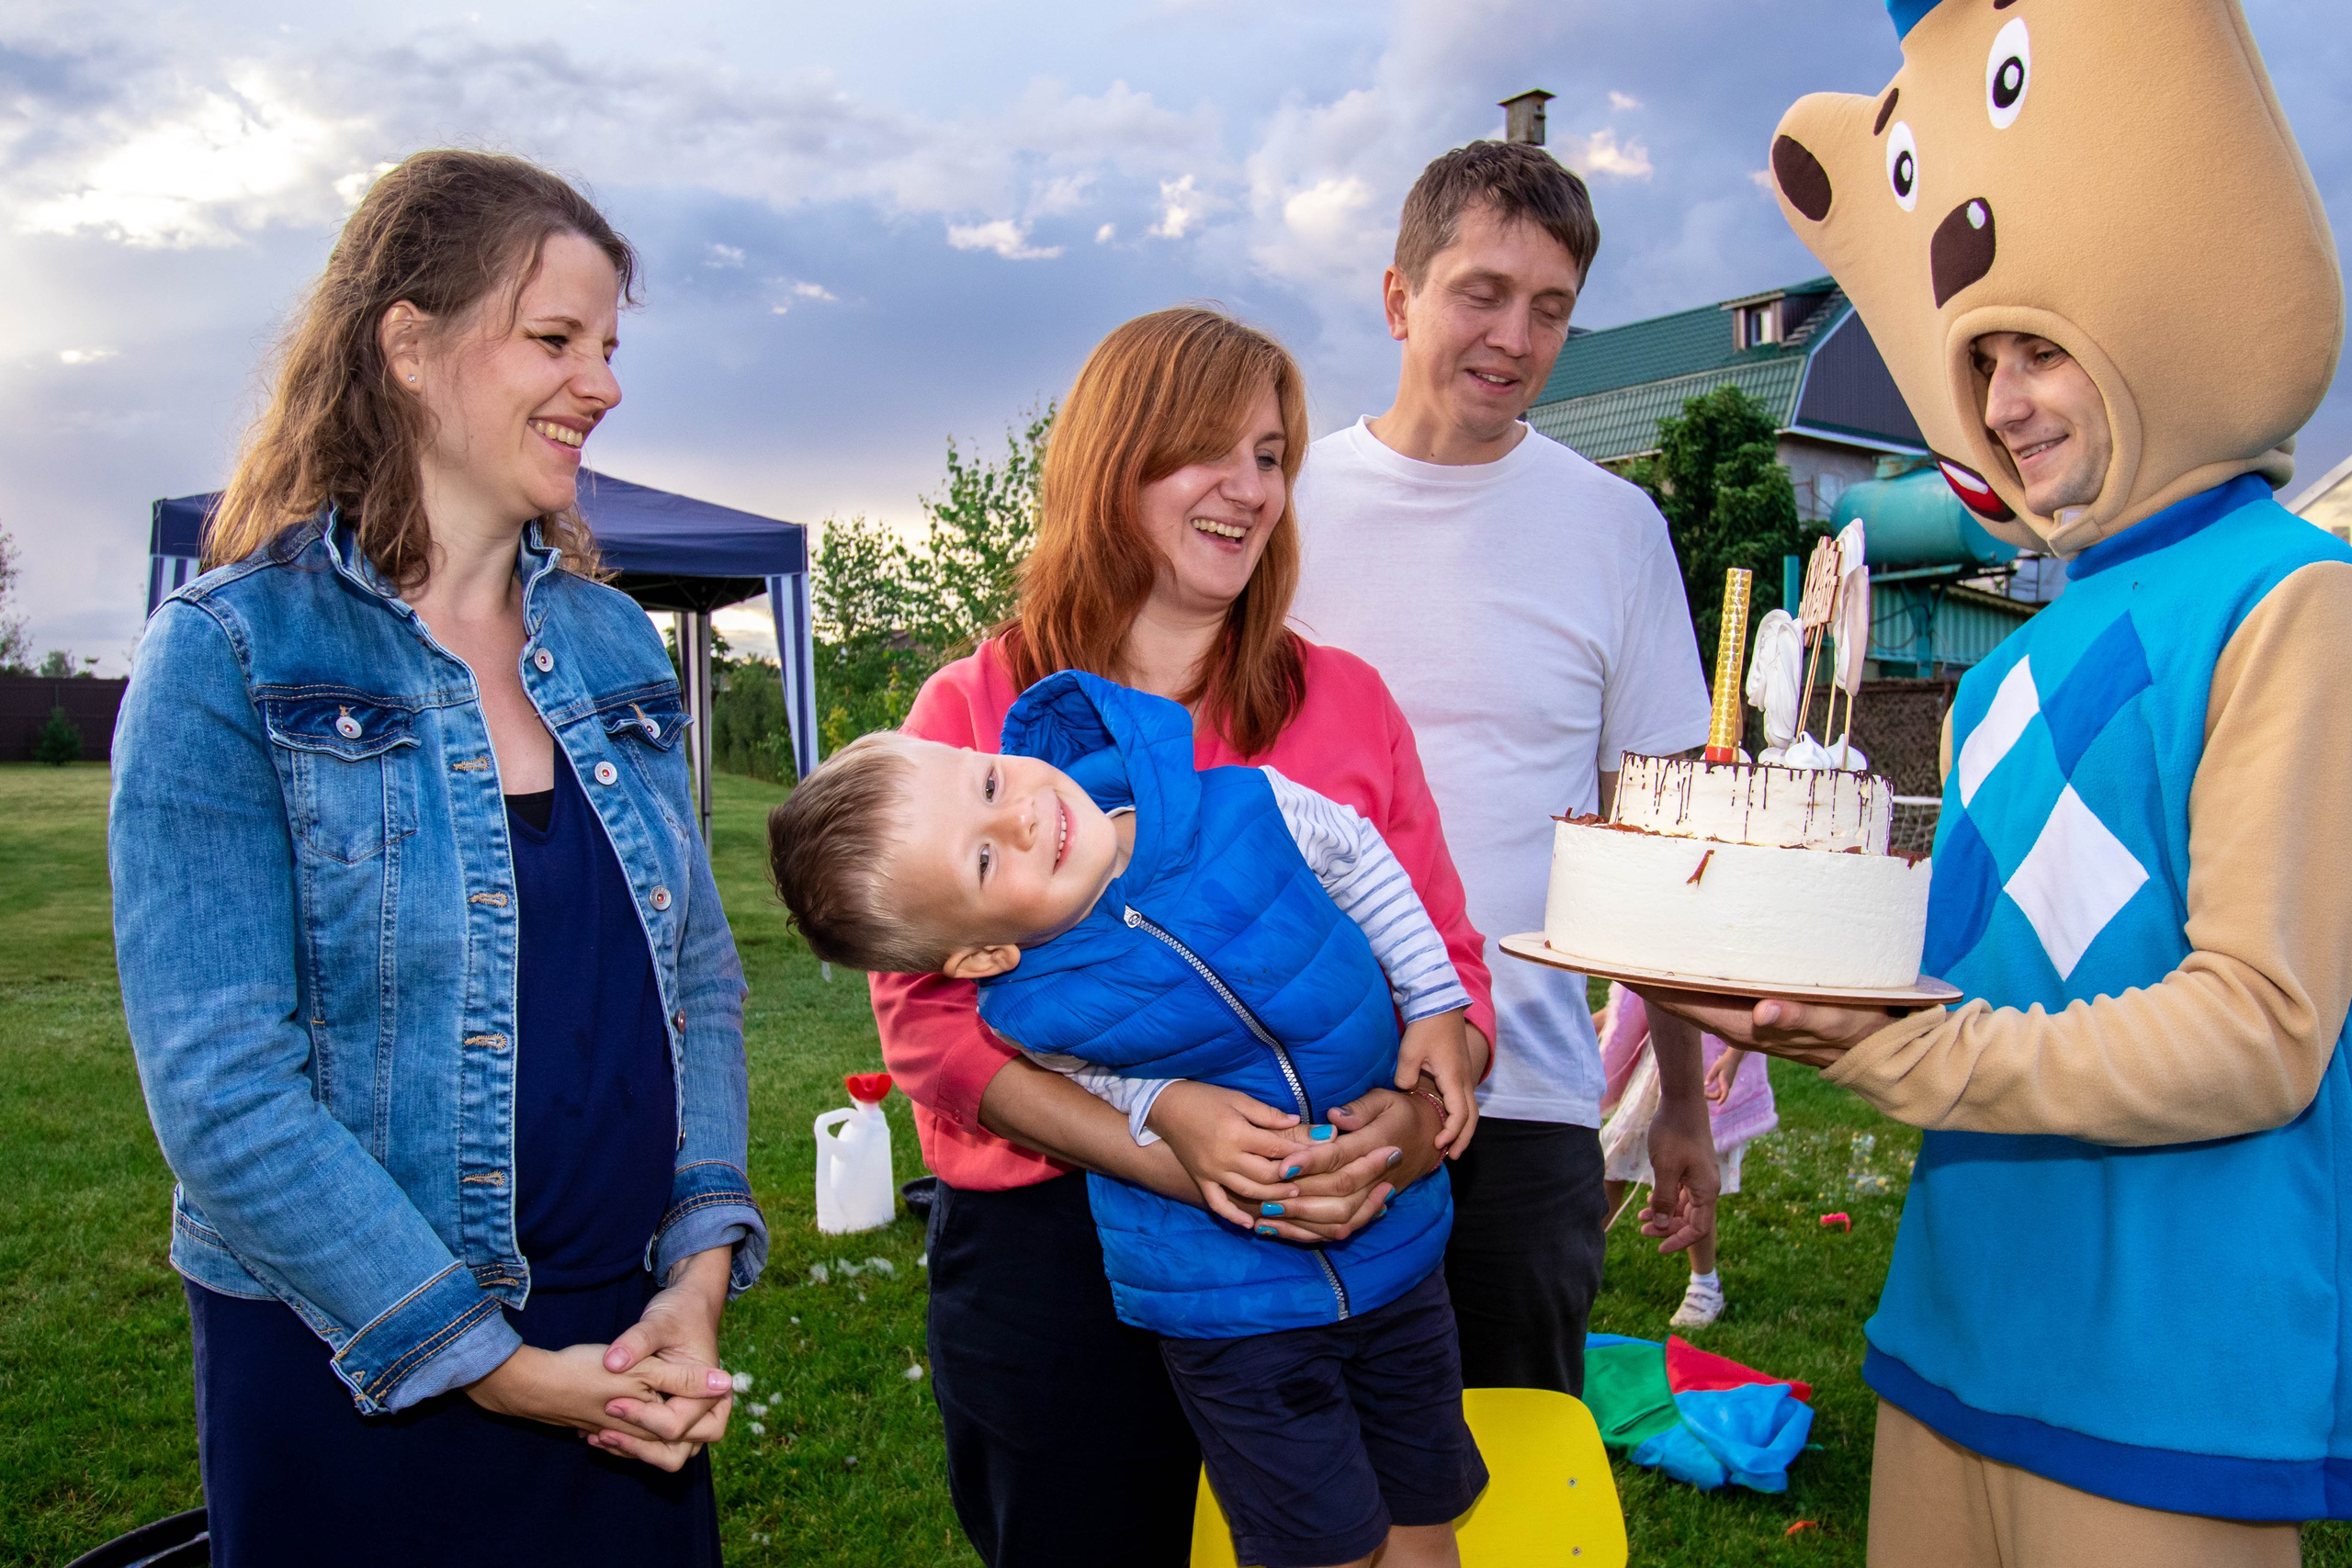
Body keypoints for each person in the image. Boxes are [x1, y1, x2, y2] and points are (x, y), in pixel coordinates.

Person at [1657, 3, 2352, 1560]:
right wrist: (1760, 970)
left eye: (2043, 348)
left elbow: (2262, 1028)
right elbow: (1957, 982)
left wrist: (1916, 1054)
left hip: (2179, 1386)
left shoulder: (2295, 602)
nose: (2010, 403)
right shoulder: (1992, 673)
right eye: (1984, 364)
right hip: (1952, 1334)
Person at [109, 151, 765, 1566]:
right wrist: (490, 1360)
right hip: (357, 1367)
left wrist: (697, 1271)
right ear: (409, 345)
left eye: (607, 347)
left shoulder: (609, 642)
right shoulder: (231, 653)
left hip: (627, 1347)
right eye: (554, 339)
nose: (600, 383)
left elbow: (697, 980)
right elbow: (224, 1092)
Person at [869, 306, 1507, 1568]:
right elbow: (930, 1027)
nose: (1248, 487)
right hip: (1065, 1265)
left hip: (1349, 1231)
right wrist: (1164, 1142)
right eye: (1205, 449)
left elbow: (1450, 961)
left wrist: (1414, 1119)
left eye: (1270, 454)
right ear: (1113, 465)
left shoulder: (1345, 701)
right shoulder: (979, 712)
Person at [774, 671, 1487, 1568]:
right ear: (986, 952)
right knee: (1323, 1547)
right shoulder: (1027, 1005)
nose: (1022, 820)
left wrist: (1432, 1004)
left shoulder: (1240, 803)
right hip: (1224, 1305)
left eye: (991, 785)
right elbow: (1084, 1079)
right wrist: (1165, 1104)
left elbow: (1358, 857)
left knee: (1425, 1516)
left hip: (1399, 1254)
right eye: (985, 861)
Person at [1287, 139, 1722, 1399]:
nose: (1514, 336)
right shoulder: (1280, 506)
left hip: (1527, 1096)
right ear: (1397, 297)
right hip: (1293, 1083)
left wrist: (1678, 1099)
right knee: (1299, 1477)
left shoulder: (1615, 528)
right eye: (1482, 291)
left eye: (1551, 310)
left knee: (1509, 1464)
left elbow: (1658, 839)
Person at [1595, 985, 1778, 1329]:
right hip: (1656, 1072)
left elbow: (1755, 1003)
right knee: (1611, 1160)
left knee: (1692, 1183)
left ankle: (1704, 1285)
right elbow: (1639, 997)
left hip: (1705, 1077)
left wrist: (1732, 1057)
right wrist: (1596, 1022)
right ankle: (1581, 1258)